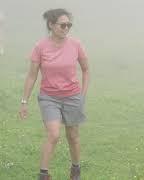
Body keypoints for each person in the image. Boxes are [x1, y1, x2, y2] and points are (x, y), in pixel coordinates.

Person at [19, 8, 89, 180]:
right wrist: (24, 101)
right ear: (51, 25)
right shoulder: (40, 47)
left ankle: (75, 169)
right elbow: (32, 75)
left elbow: (86, 70)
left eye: (69, 25)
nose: (66, 28)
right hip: (49, 97)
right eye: (62, 25)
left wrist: (82, 95)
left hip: (72, 96)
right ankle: (43, 175)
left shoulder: (76, 45)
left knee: (72, 135)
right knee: (54, 133)